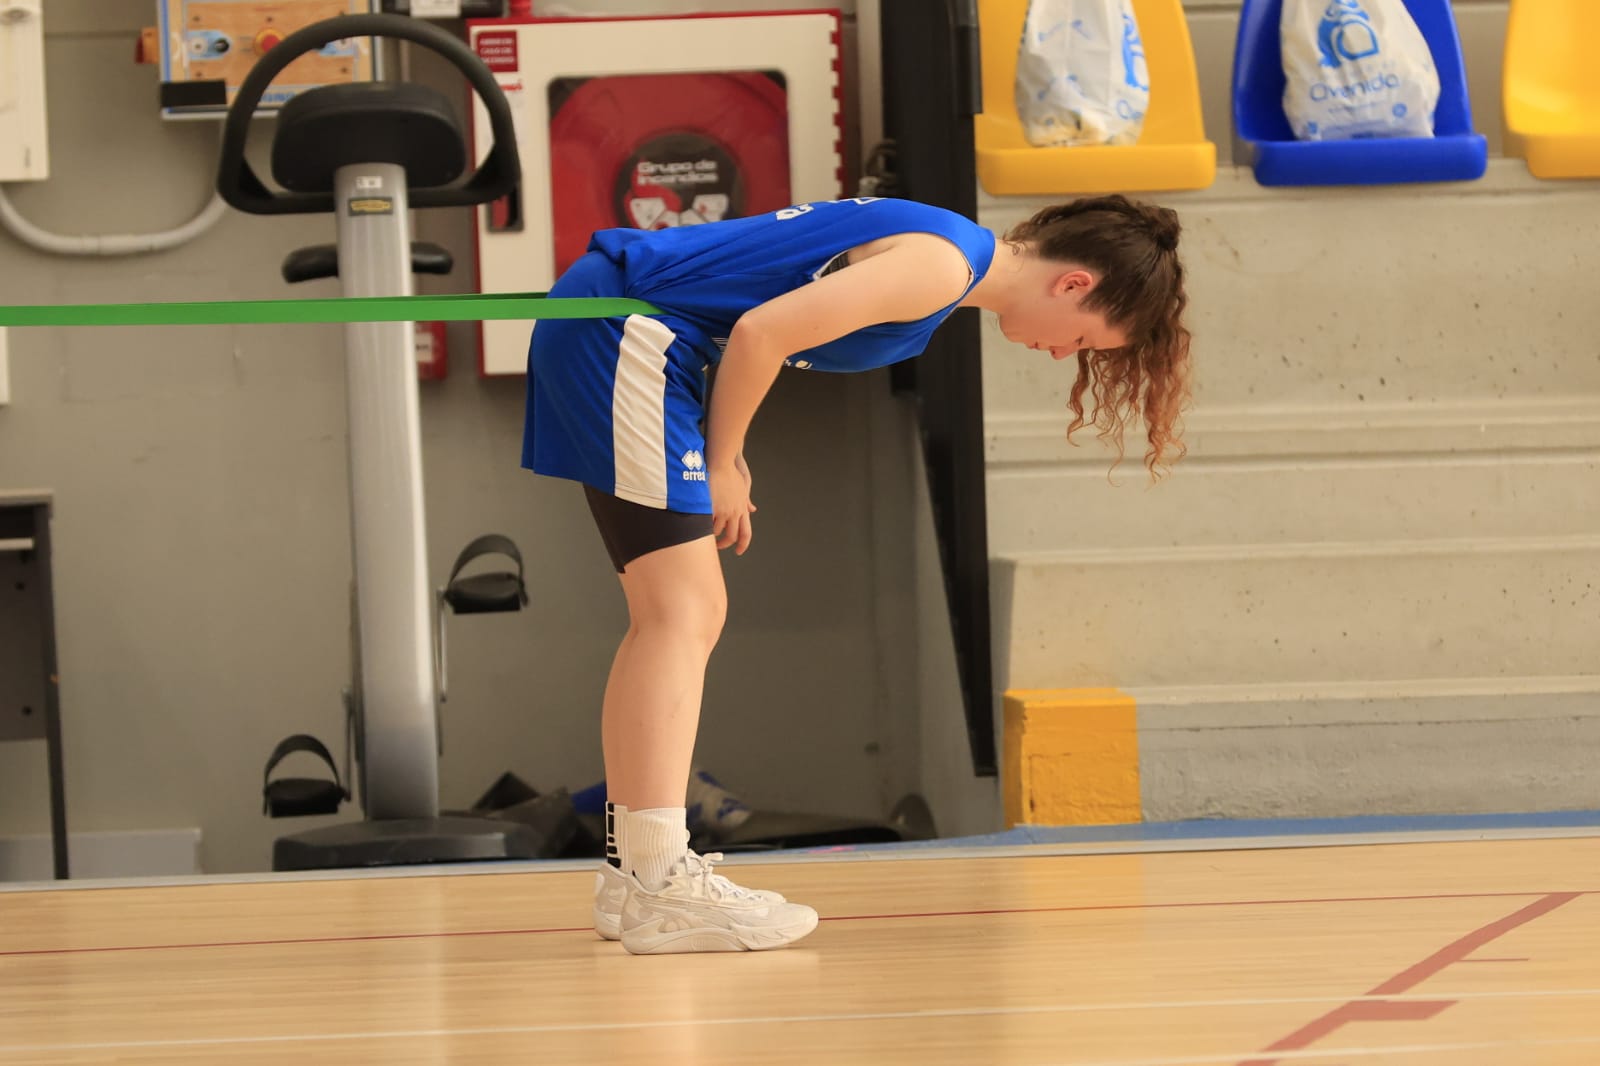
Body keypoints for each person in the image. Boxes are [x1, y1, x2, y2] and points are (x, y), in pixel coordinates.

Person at [521, 194, 1191, 955]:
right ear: (1073, 284)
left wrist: (723, 449)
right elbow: (761, 332)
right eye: (1085, 338)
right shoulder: (944, 265)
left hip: (632, 336)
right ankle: (657, 881)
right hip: (628, 333)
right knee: (683, 613)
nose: (1066, 354)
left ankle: (634, 876)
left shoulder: (949, 258)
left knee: (674, 613)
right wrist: (725, 457)